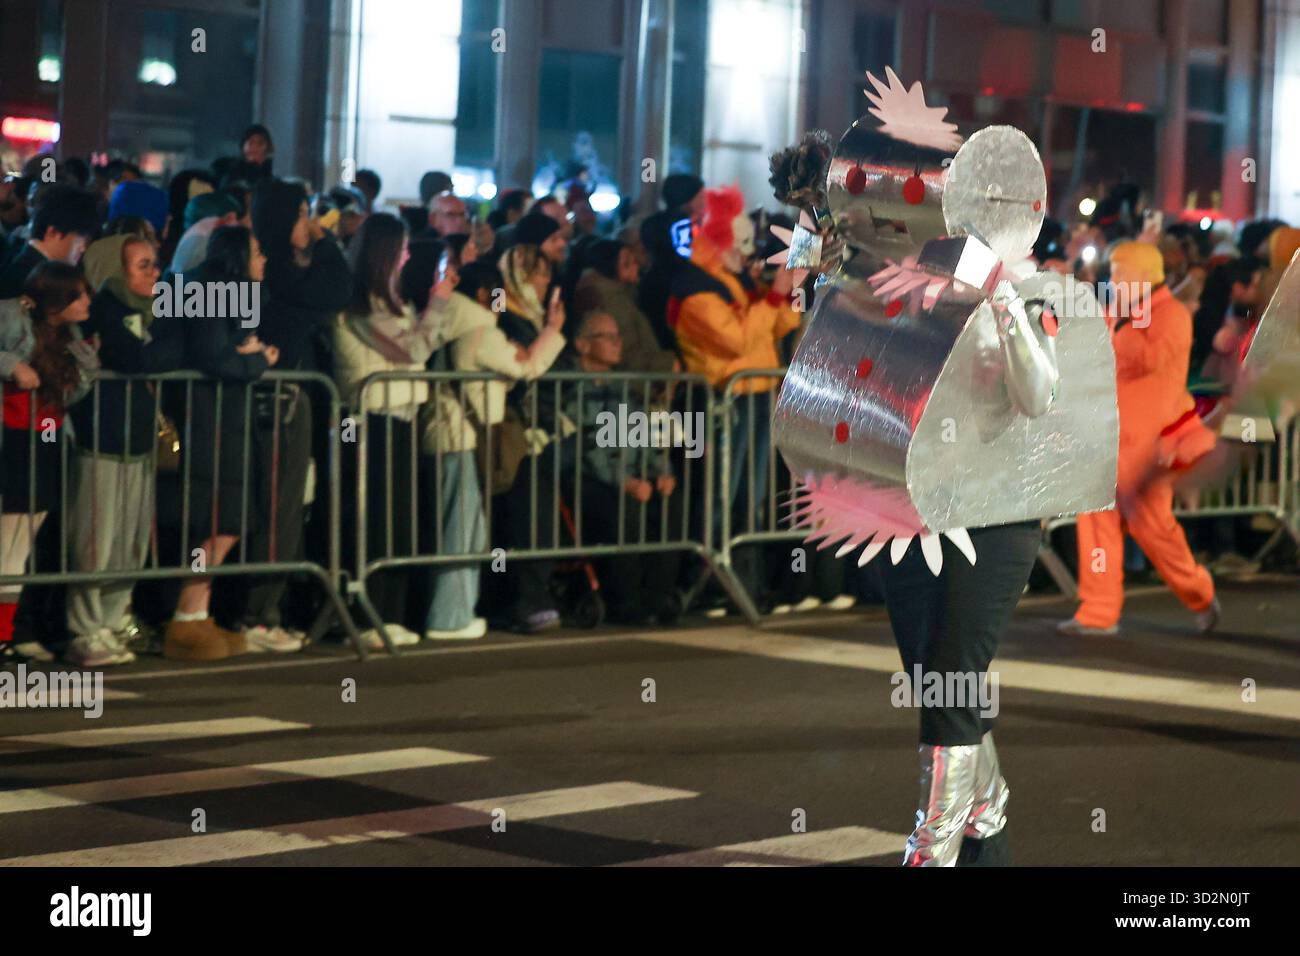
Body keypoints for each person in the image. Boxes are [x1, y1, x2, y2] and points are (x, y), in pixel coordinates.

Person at [404, 241, 565, 639]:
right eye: (496, 295)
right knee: (462, 531)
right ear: (481, 295)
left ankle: (453, 612)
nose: (501, 303)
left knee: (458, 527)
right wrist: (552, 332)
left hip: (444, 435)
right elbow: (526, 368)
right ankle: (451, 616)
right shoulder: (480, 328)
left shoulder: (453, 325)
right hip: (461, 439)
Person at [1062, 241, 1219, 636]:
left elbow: (1148, 360)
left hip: (1149, 452)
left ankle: (1198, 592)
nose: (1111, 280)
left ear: (1141, 275)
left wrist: (1116, 329)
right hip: (1107, 443)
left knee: (1155, 531)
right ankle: (1097, 611)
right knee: (1096, 525)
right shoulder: (1118, 312)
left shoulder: (1172, 315)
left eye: (1118, 272)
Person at [65, 235, 184, 666]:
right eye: (142, 265)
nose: (155, 272)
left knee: (130, 542)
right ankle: (85, 630)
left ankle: (114, 622)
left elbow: (163, 352)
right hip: (103, 439)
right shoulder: (103, 310)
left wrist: (161, 345)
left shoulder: (153, 312)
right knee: (94, 540)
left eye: (156, 263)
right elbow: (137, 358)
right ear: (114, 269)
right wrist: (162, 346)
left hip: (138, 442)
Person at [163, 226, 280, 661]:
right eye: (257, 251)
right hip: (210, 420)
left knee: (225, 520)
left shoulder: (214, 292)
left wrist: (248, 353)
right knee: (216, 520)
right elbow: (213, 356)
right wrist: (255, 360)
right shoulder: (209, 293)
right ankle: (186, 615)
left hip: (225, 419)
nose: (264, 259)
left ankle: (199, 614)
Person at [334, 213, 450, 648]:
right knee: (374, 520)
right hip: (371, 418)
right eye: (401, 248)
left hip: (400, 414)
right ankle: (369, 616)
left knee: (399, 519)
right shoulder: (361, 304)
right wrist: (439, 302)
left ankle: (392, 613)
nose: (407, 256)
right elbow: (415, 348)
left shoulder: (391, 301)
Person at [0, 262, 97, 663]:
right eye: (79, 294)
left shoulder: (71, 338)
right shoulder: (10, 315)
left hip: (48, 439)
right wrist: (11, 365)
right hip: (13, 439)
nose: (88, 301)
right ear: (58, 299)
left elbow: (72, 394)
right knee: (8, 543)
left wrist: (86, 365)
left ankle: (10, 631)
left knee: (22, 544)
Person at [562, 311, 683, 624]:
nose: (618, 344)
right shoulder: (572, 388)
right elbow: (588, 450)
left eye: (619, 336)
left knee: (670, 504)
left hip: (630, 475)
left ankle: (657, 596)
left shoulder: (622, 388)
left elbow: (642, 434)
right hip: (592, 480)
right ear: (583, 345)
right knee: (622, 511)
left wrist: (661, 471)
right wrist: (625, 482)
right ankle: (626, 601)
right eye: (608, 337)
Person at [493, 243, 568, 632]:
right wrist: (551, 333)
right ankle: (524, 600)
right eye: (537, 273)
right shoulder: (504, 314)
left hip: (537, 429)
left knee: (538, 515)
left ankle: (536, 594)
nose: (546, 281)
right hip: (515, 429)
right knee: (523, 517)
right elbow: (525, 370)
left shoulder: (535, 317)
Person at [573, 239, 676, 374]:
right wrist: (666, 364)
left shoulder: (625, 295)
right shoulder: (612, 299)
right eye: (627, 262)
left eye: (634, 260)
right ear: (610, 266)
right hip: (638, 380)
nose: (636, 265)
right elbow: (627, 350)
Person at [0, 186, 99, 298]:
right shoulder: (33, 281)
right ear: (53, 232)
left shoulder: (21, 261)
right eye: (80, 238)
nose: (83, 248)